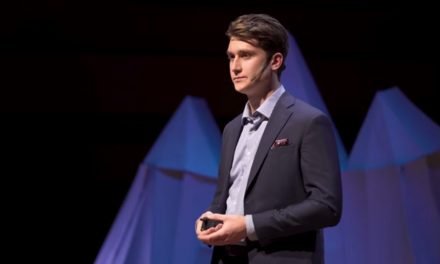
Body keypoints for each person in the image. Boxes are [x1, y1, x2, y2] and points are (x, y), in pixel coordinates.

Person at [195, 13, 342, 264]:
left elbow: (327, 207)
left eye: (246, 55)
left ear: (275, 61)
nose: (235, 66)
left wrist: (248, 226)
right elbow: (226, 198)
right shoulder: (232, 129)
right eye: (231, 56)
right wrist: (212, 220)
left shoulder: (308, 122)